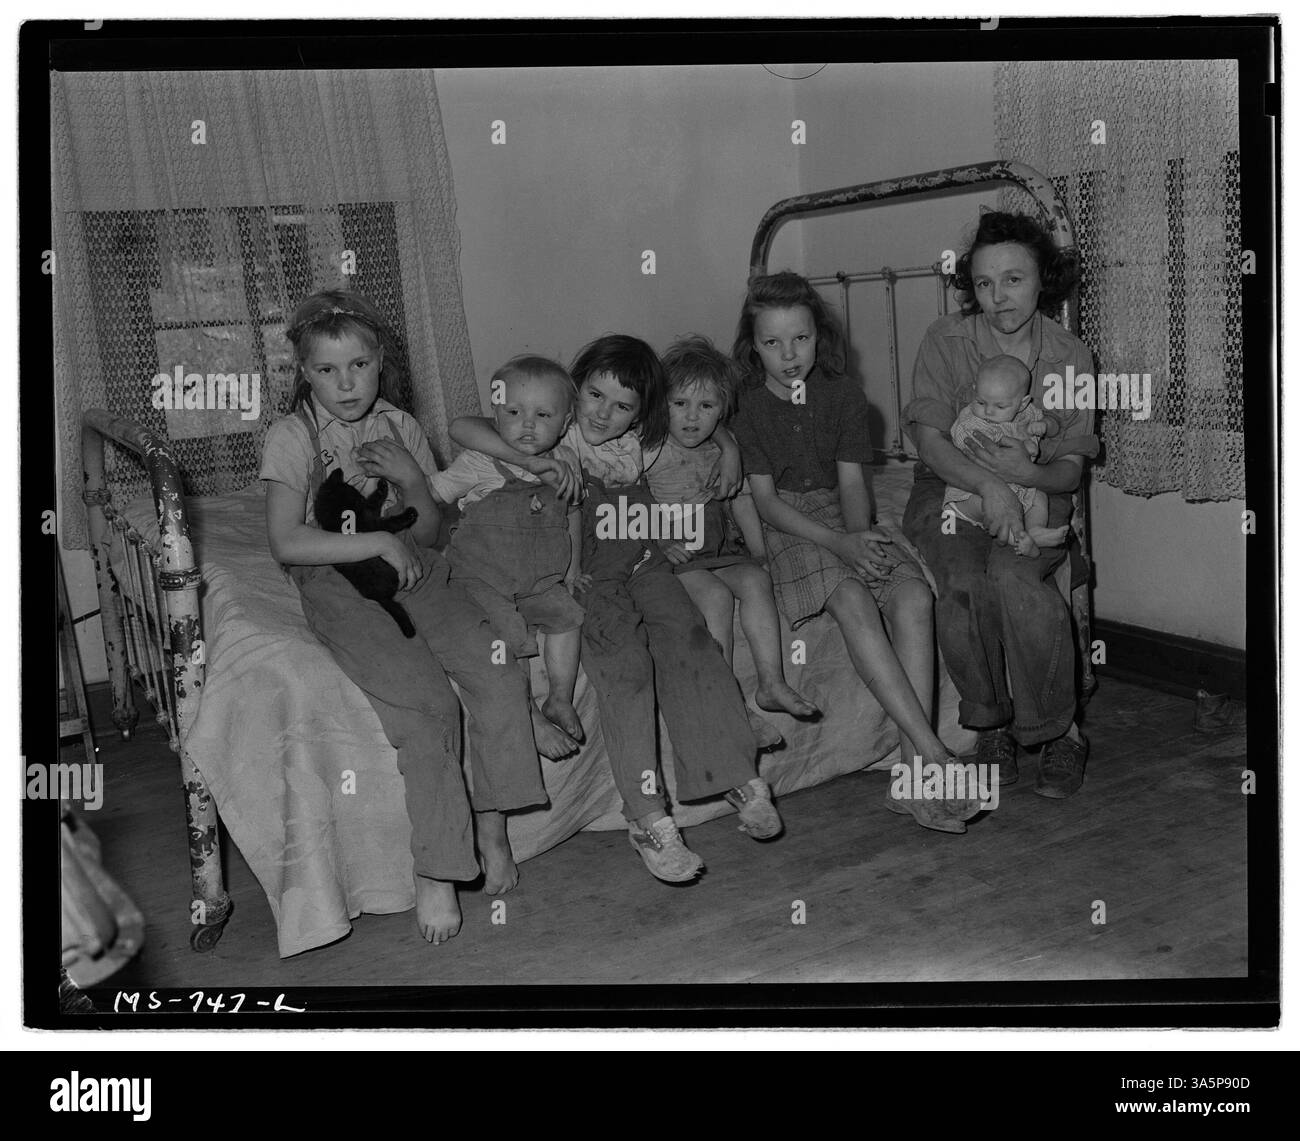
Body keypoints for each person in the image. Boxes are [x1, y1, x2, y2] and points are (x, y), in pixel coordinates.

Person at [261, 289, 545, 946]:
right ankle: (438, 867)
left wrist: (414, 484)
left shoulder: (398, 422)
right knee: (427, 708)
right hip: (335, 576)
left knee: (498, 669)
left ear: (380, 360)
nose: (346, 382)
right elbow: (286, 541)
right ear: (304, 372)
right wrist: (377, 541)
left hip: (411, 557)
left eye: (358, 364)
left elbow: (430, 527)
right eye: (328, 370)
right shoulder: (292, 435)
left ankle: (492, 819)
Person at [452, 334, 782, 883]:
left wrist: (728, 447)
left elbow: (699, 419)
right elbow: (464, 427)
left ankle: (735, 775)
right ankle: (649, 819)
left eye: (623, 405)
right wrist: (523, 454)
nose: (605, 413)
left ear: (640, 413)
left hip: (647, 559)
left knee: (691, 639)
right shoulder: (557, 437)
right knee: (627, 672)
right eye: (595, 397)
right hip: (592, 577)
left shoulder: (643, 443)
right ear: (573, 394)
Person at [730, 270, 984, 834]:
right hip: (788, 523)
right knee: (850, 599)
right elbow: (766, 504)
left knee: (912, 593)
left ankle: (913, 781)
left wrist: (859, 540)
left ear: (820, 335)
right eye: (771, 343)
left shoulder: (843, 394)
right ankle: (933, 754)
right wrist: (838, 547)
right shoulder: (745, 408)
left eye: (800, 338)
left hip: (840, 515)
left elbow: (851, 483)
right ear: (753, 347)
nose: (788, 354)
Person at [901, 210, 1099, 798]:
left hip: (1035, 487)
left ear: (1043, 279)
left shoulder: (1070, 357)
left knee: (1015, 579)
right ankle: (990, 724)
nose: (997, 296)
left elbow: (1071, 470)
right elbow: (931, 442)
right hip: (950, 487)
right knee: (962, 577)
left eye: (1013, 279)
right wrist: (988, 486)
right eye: (984, 283)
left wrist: (1023, 474)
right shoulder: (945, 339)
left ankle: (1060, 732)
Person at [649, 334, 819, 749]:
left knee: (758, 582)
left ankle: (771, 683)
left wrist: (759, 552)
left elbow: (741, 500)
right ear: (661, 404)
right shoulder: (649, 448)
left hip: (720, 547)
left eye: (706, 407)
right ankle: (727, 702)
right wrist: (656, 540)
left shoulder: (721, 449)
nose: (692, 418)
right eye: (680, 404)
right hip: (678, 552)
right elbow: (628, 499)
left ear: (722, 412)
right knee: (716, 598)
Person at [430, 355, 586, 760]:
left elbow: (572, 515)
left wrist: (572, 568)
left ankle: (561, 699)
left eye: (543, 414)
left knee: (568, 619)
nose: (528, 424)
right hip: (483, 579)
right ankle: (529, 715)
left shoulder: (568, 462)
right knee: (508, 636)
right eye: (513, 412)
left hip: (538, 579)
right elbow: (434, 492)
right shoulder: (480, 462)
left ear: (566, 423)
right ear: (495, 416)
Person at [942, 353, 1071, 557]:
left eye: (1000, 406)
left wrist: (1044, 425)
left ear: (1022, 403)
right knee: (994, 506)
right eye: (981, 402)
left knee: (1039, 497)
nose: (989, 412)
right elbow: (964, 441)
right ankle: (1018, 539)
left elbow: (1056, 426)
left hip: (1018, 486)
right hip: (972, 493)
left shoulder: (1026, 414)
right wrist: (1027, 446)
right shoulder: (972, 421)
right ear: (975, 391)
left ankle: (1035, 529)